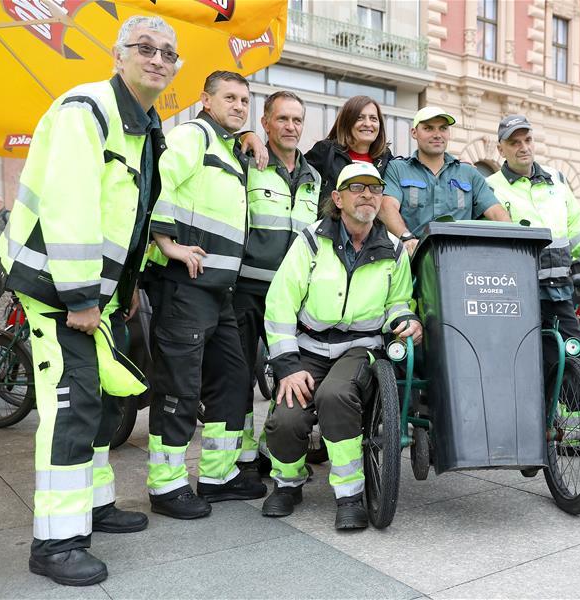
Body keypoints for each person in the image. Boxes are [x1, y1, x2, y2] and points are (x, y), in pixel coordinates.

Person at [0, 15, 180, 587]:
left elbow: (128, 217)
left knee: (93, 406)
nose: (158, 59)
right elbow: (71, 209)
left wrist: (127, 287)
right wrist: (80, 296)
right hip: (60, 291)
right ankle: (57, 542)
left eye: (169, 54)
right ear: (119, 55)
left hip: (99, 294)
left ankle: (94, 508)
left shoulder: (144, 125)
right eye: (146, 48)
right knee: (70, 412)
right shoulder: (87, 111)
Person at [261, 162, 421, 529]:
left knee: (335, 395)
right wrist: (287, 366)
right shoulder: (312, 239)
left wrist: (405, 321)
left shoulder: (394, 251)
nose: (367, 194)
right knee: (287, 413)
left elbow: (398, 302)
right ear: (337, 198)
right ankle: (288, 484)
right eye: (356, 187)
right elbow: (280, 302)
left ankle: (349, 495)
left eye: (375, 188)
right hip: (309, 347)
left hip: (359, 347)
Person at [144, 71, 266, 520]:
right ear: (206, 100)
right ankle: (167, 485)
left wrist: (248, 136)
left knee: (233, 379)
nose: (238, 105)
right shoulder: (193, 134)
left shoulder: (228, 148)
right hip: (186, 286)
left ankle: (217, 476)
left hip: (219, 290)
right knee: (179, 386)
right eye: (229, 97)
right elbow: (163, 183)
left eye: (244, 99)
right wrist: (166, 242)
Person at [234, 90, 320, 477]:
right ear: (266, 122)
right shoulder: (247, 162)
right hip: (246, 289)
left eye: (297, 120)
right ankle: (243, 455)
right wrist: (244, 137)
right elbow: (220, 142)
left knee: (288, 372)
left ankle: (273, 447)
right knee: (237, 378)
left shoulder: (314, 178)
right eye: (282, 119)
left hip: (292, 298)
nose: (290, 127)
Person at [485, 114, 580, 371]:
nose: (524, 147)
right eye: (515, 142)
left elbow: (573, 227)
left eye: (528, 139)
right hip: (516, 292)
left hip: (558, 288)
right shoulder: (490, 186)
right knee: (526, 361)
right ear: (501, 149)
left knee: (574, 356)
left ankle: (575, 409)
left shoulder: (556, 178)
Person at [379, 106, 511, 255]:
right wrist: (406, 237)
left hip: (460, 259)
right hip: (413, 260)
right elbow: (386, 208)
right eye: (428, 128)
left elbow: (496, 212)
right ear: (414, 133)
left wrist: (516, 241)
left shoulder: (469, 173)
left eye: (443, 128)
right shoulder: (397, 169)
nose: (437, 134)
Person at [304, 95, 393, 211]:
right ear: (347, 122)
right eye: (360, 118)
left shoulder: (387, 160)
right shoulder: (325, 151)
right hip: (330, 227)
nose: (367, 123)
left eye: (373, 119)